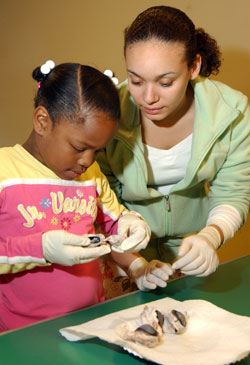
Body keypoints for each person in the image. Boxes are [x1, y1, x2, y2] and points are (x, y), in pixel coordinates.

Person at [0, 60, 173, 332]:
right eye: (80, 147)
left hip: (92, 323)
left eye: (97, 151)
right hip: (23, 334)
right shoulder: (4, 172)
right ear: (42, 121)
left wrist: (137, 262)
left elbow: (114, 227)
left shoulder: (90, 176)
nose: (87, 161)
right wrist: (39, 249)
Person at [97, 6, 250, 279]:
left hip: (188, 255)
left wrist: (210, 237)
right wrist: (133, 265)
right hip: (122, 253)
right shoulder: (108, 111)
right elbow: (101, 202)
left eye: (165, 82)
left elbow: (233, 193)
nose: (148, 97)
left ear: (194, 67)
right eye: (135, 80)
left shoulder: (232, 113)